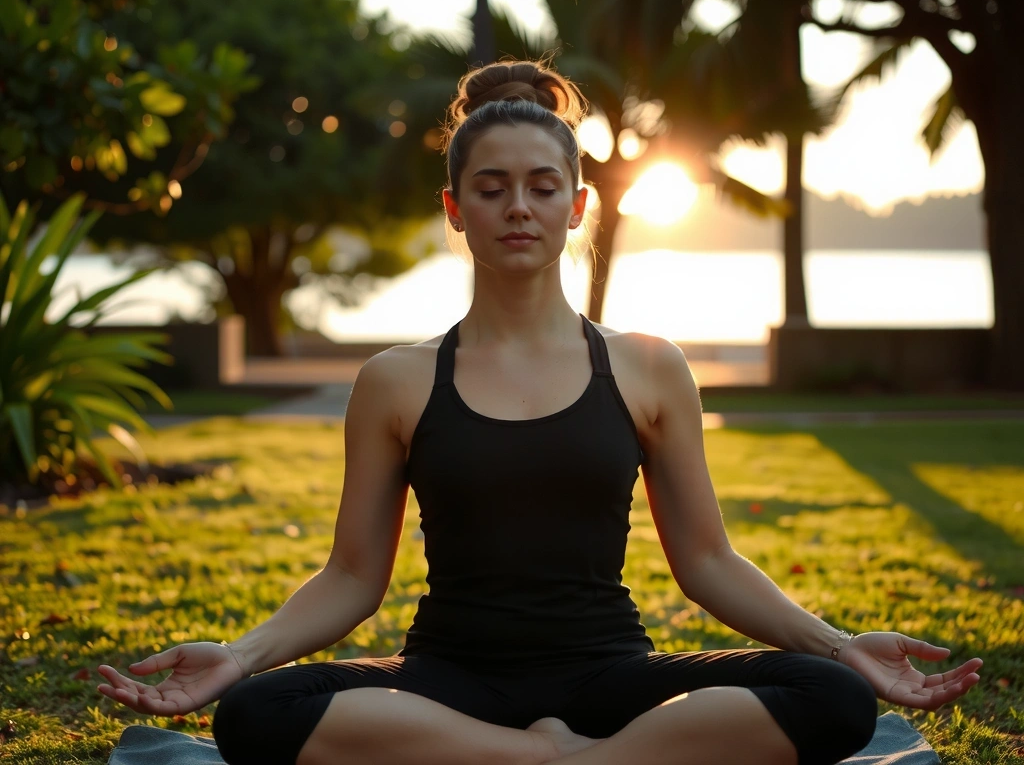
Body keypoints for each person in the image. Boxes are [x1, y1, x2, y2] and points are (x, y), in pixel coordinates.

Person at [97, 59, 982, 765]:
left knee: (831, 698)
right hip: (448, 676)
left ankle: (545, 759)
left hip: (610, 669)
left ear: (576, 206)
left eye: (541, 186)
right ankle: (551, 759)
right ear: (455, 209)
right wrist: (243, 654)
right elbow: (352, 578)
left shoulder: (647, 365)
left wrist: (838, 647)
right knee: (256, 714)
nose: (517, 206)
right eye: (490, 188)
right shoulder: (397, 381)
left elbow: (707, 561)